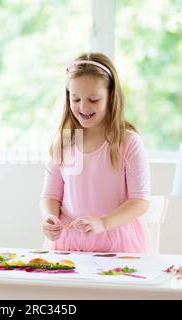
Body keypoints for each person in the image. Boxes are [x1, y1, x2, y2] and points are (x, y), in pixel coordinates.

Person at [40, 52, 151, 253]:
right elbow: (50, 195)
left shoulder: (127, 143)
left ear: (111, 96)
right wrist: (50, 216)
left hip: (115, 244)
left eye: (93, 99)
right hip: (68, 244)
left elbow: (140, 202)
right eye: (76, 99)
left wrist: (103, 223)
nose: (83, 107)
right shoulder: (66, 142)